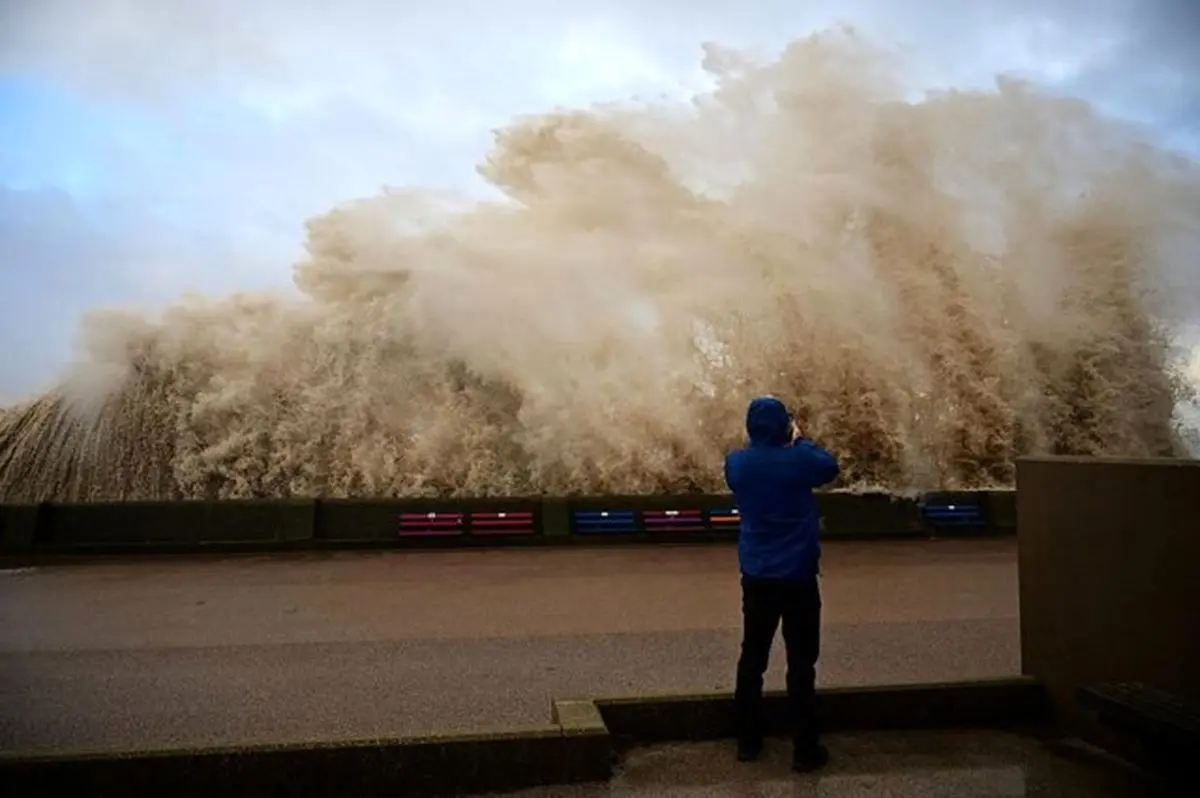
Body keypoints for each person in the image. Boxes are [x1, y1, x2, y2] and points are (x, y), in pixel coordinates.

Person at [724, 395, 840, 773]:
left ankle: (747, 742)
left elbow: (746, 467)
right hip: (799, 577)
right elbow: (830, 467)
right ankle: (805, 749)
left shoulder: (737, 464)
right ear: (784, 426)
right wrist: (800, 438)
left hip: (757, 575)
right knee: (801, 662)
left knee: (752, 656)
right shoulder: (802, 460)